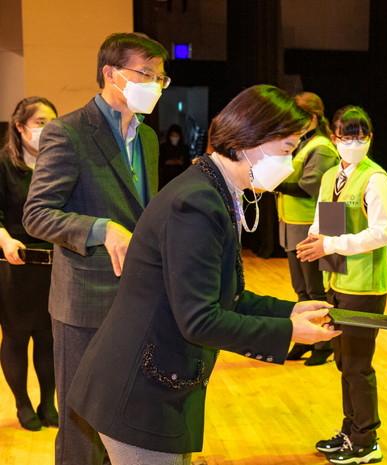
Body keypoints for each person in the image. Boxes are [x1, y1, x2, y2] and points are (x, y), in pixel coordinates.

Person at [66, 84, 341, 465]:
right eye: (286, 150)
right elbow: (199, 319)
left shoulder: (212, 189)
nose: (289, 164)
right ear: (249, 139)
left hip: (158, 380)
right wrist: (288, 332)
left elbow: (224, 294)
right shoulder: (197, 201)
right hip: (138, 392)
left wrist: (288, 312)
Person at [23, 32, 167, 465]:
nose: (155, 85)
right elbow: (37, 214)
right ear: (111, 73)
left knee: (122, 418)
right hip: (84, 304)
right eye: (146, 74)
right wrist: (102, 229)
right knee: (81, 427)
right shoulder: (68, 132)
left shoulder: (148, 139)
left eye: (161, 78)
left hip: (138, 301)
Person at [297, 105, 387, 464]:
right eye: (346, 136)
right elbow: (327, 220)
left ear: (370, 138)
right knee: (343, 361)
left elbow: (382, 233)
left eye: (360, 136)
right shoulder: (332, 176)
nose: (353, 143)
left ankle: (367, 439)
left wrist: (331, 245)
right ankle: (351, 429)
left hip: (364, 286)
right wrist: (315, 240)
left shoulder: (376, 179)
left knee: (357, 364)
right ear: (333, 137)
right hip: (336, 279)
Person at [0, 97, 58, 431]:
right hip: (15, 264)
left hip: (54, 265)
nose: (47, 129)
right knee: (17, 337)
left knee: (49, 338)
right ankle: (22, 403)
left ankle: (48, 403)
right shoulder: (4, 164)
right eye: (40, 123)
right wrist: (6, 240)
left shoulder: (59, 163)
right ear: (20, 127)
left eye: (52, 122)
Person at [278, 92, 339, 366]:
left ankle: (325, 342)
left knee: (316, 290)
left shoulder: (322, 147)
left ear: (313, 117)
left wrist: (271, 183)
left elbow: (310, 187)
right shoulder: (304, 143)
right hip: (293, 223)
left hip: (312, 225)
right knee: (301, 290)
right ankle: (305, 338)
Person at [158, 124, 190, 189]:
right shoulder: (163, 147)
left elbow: (186, 163)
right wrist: (176, 162)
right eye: (172, 136)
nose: (174, 138)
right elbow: (161, 162)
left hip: (180, 178)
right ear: (169, 136)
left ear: (180, 136)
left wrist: (172, 162)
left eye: (176, 136)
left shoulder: (184, 148)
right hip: (166, 179)